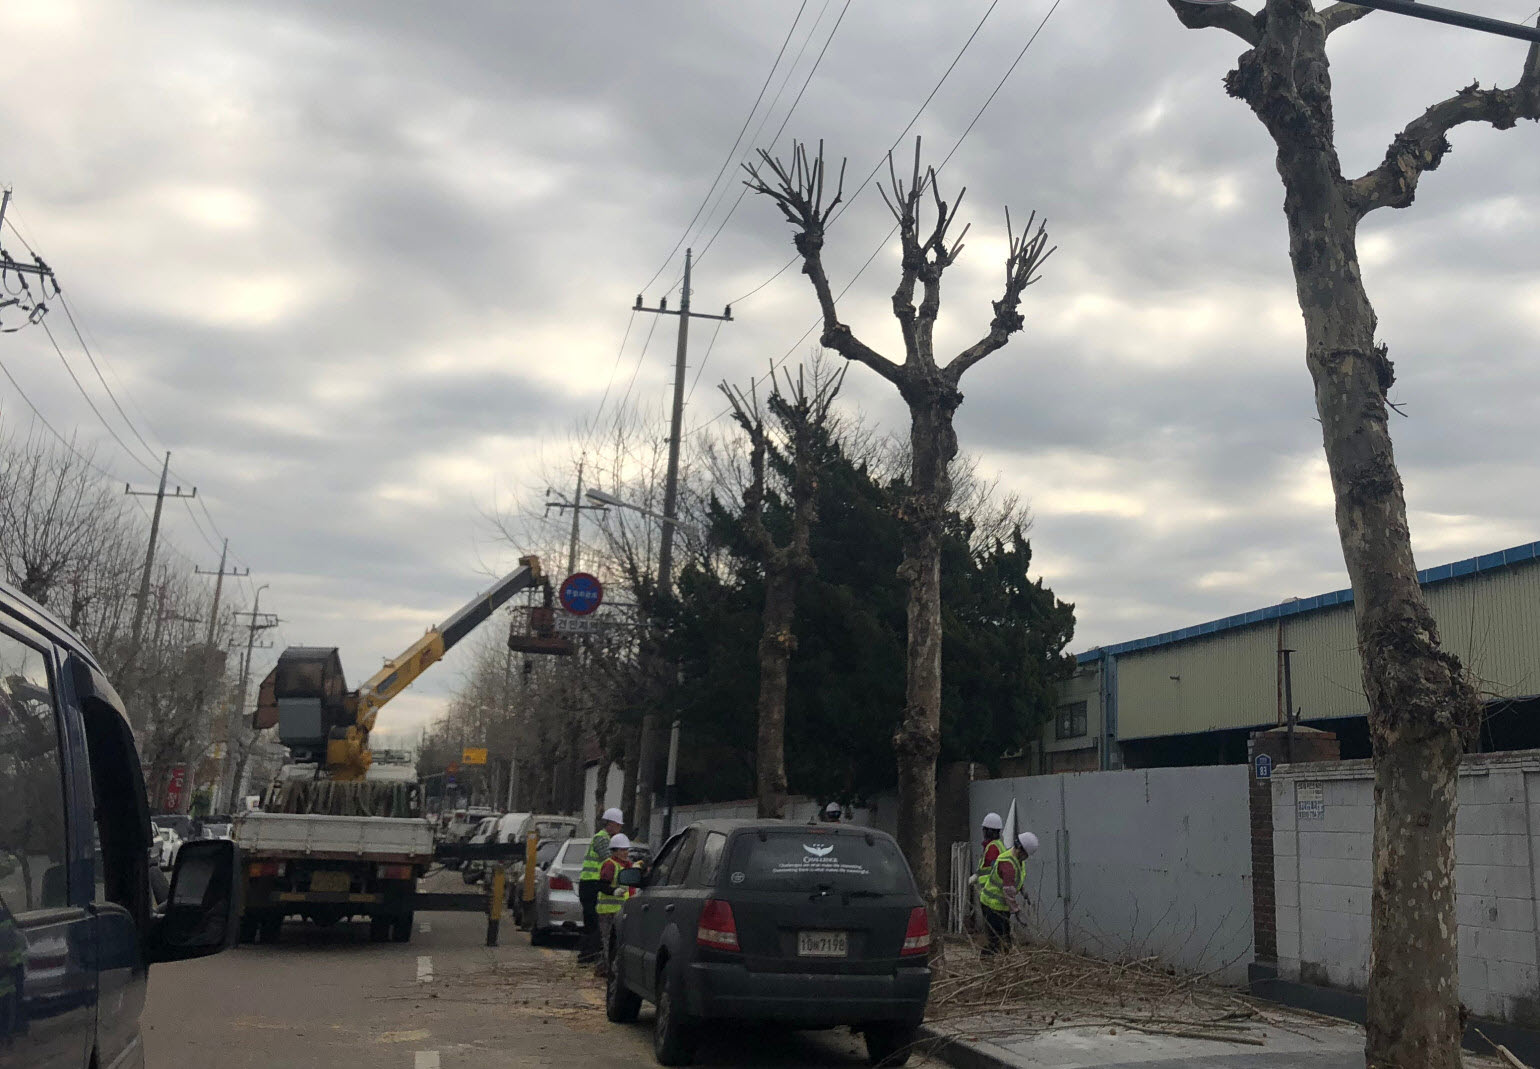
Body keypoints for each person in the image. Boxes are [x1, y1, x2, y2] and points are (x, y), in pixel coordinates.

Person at [577, 807, 623, 965]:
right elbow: (610, 859)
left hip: (593, 884)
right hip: (591, 884)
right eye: (618, 825)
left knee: (593, 922)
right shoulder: (602, 839)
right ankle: (587, 956)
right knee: (593, 922)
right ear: (610, 824)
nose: (619, 829)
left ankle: (589, 956)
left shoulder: (606, 839)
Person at [594, 834, 635, 977]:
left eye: (626, 849)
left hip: (623, 911)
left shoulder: (628, 866)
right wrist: (613, 891)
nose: (625, 852)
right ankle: (609, 969)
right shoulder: (610, 865)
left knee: (617, 943)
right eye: (622, 850)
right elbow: (601, 885)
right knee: (608, 942)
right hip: (608, 912)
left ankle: (604, 967)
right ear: (614, 851)